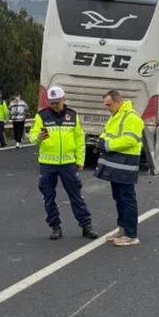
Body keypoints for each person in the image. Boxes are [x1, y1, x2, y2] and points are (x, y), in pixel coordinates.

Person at [29, 86, 99, 240]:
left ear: (64, 99)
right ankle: (55, 226)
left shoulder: (72, 116)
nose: (54, 105)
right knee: (48, 196)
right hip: (48, 163)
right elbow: (32, 136)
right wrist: (38, 137)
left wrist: (80, 160)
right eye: (52, 102)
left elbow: (79, 140)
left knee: (76, 195)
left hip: (68, 163)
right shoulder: (42, 116)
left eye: (57, 102)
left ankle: (86, 225)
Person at [95, 90, 143, 247]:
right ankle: (122, 229)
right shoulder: (115, 116)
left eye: (109, 105)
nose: (107, 108)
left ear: (118, 102)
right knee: (119, 198)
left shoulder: (131, 117)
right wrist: (101, 141)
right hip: (116, 163)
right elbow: (106, 133)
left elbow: (131, 140)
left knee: (127, 198)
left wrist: (107, 145)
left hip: (126, 163)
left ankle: (131, 235)